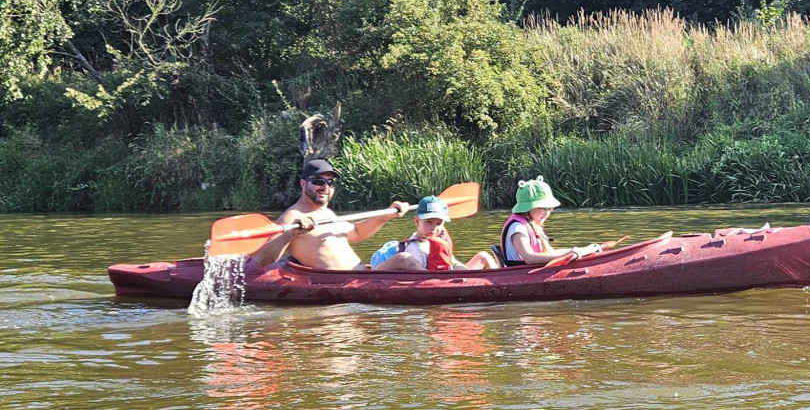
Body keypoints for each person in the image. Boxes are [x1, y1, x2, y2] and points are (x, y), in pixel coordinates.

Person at [251, 159, 411, 270]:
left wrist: (387, 215)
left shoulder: (327, 213)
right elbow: (263, 259)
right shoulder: (292, 217)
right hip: (339, 283)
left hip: (359, 278)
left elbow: (357, 232)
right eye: (318, 181)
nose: (325, 187)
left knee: (406, 257)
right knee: (404, 260)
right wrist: (290, 233)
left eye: (330, 183)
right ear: (303, 183)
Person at [370, 195, 498, 271]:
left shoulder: (440, 240)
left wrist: (466, 273)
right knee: (405, 259)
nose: (434, 228)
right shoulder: (414, 249)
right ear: (417, 221)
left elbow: (452, 262)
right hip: (432, 281)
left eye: (438, 223)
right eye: (428, 222)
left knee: (483, 256)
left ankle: (499, 282)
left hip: (448, 277)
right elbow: (421, 280)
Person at [499, 176, 601, 266]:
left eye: (549, 209)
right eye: (543, 208)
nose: (547, 213)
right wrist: (570, 254)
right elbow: (530, 258)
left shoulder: (532, 224)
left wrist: (579, 250)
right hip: (520, 274)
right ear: (527, 208)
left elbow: (550, 252)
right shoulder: (518, 228)